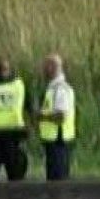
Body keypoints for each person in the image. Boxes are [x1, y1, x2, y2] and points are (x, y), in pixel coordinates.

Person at [36, 54, 76, 182]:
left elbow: (61, 116)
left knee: (58, 179)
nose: (43, 70)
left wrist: (41, 116)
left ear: (52, 67)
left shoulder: (61, 89)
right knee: (53, 178)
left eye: (45, 66)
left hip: (59, 140)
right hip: (53, 140)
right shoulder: (52, 88)